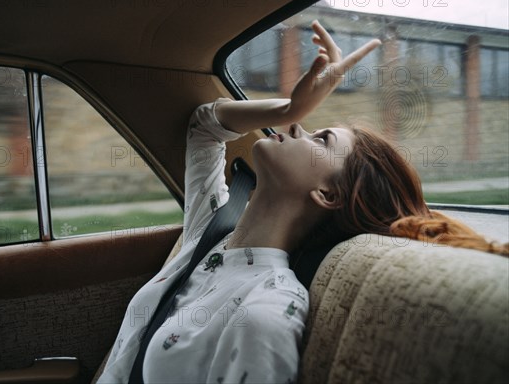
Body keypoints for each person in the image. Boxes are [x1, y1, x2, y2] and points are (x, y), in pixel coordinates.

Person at [95, 20, 507, 384]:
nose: (295, 127)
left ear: (327, 194)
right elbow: (204, 127)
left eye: (320, 139)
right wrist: (291, 104)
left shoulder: (265, 313)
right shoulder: (212, 229)